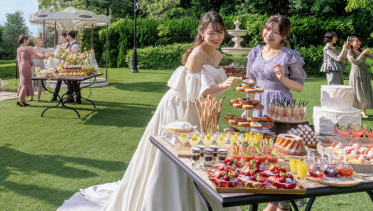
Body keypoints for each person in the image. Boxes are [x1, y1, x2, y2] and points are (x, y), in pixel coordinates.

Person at [58, 11, 241, 211]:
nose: (216, 37)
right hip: (180, 107)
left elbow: (204, 92)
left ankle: (200, 196)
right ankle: (167, 199)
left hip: (199, 109)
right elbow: (196, 91)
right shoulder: (197, 54)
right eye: (212, 33)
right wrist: (223, 85)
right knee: (174, 151)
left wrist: (219, 91)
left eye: (220, 32)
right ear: (202, 32)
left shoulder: (218, 54)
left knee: (197, 150)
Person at [247, 15, 306, 211]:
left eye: (275, 31)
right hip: (258, 107)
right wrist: (248, 107)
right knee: (262, 154)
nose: (269, 34)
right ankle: (270, 199)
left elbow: (298, 87)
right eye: (267, 29)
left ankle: (281, 204)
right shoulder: (255, 52)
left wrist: (282, 77)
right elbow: (250, 81)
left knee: (281, 155)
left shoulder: (289, 56)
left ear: (284, 35)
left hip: (280, 107)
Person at [16, 34, 46, 107]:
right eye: (27, 40)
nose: (28, 41)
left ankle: (23, 101)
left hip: (21, 66)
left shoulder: (19, 49)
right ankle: (20, 100)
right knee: (25, 83)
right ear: (25, 40)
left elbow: (18, 60)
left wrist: (19, 69)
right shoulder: (29, 48)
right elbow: (38, 56)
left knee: (23, 83)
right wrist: (46, 56)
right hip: (26, 66)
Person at [50, 32, 69, 102]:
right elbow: (56, 55)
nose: (59, 39)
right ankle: (55, 96)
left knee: (69, 81)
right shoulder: (59, 46)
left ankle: (69, 97)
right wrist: (52, 55)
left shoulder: (68, 45)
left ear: (65, 37)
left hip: (67, 65)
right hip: (60, 65)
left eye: (60, 37)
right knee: (59, 81)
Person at [64, 30, 82, 105]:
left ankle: (78, 99)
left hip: (73, 66)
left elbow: (73, 56)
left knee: (74, 82)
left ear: (70, 36)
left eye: (67, 35)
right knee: (69, 82)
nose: (67, 37)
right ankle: (70, 98)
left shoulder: (75, 45)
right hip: (68, 65)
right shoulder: (69, 44)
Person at [33, 37, 47, 101]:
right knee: (33, 81)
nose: (40, 41)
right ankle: (31, 96)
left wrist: (48, 55)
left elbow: (45, 57)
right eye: (39, 40)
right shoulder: (32, 49)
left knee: (40, 81)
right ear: (36, 42)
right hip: (34, 66)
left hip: (41, 65)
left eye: (41, 40)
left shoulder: (43, 49)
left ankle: (38, 97)